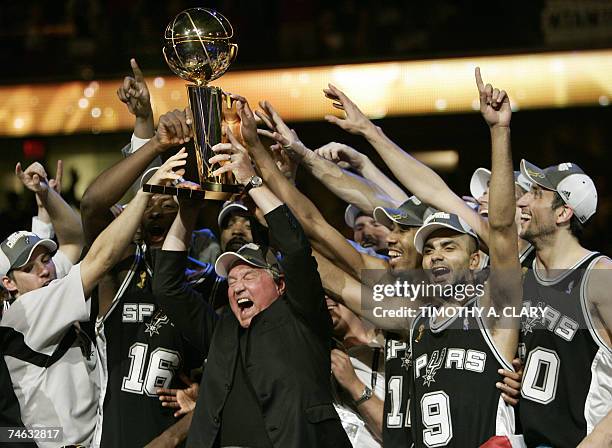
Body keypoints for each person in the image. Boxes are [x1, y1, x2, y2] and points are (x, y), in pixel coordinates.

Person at [153, 111, 351, 447]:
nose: (237, 286)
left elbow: (296, 247)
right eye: (230, 281)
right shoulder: (222, 331)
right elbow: (167, 286)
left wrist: (252, 180)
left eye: (248, 274)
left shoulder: (304, 319)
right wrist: (186, 214)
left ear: (280, 283)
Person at [0, 153, 183, 447]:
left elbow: (73, 240)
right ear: (8, 283)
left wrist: (47, 195)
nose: (45, 270)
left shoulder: (44, 288)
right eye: (29, 267)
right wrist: (145, 192)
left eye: (45, 259)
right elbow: (100, 258)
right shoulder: (27, 311)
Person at [516, 159, 612, 447]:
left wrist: (602, 437)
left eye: (535, 194)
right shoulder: (524, 273)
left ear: (562, 212)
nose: (521, 201)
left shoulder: (599, 275)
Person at [328, 298, 385, 447]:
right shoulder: (324, 365)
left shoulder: (390, 348)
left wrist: (353, 384)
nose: (325, 299)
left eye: (330, 292)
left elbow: (396, 432)